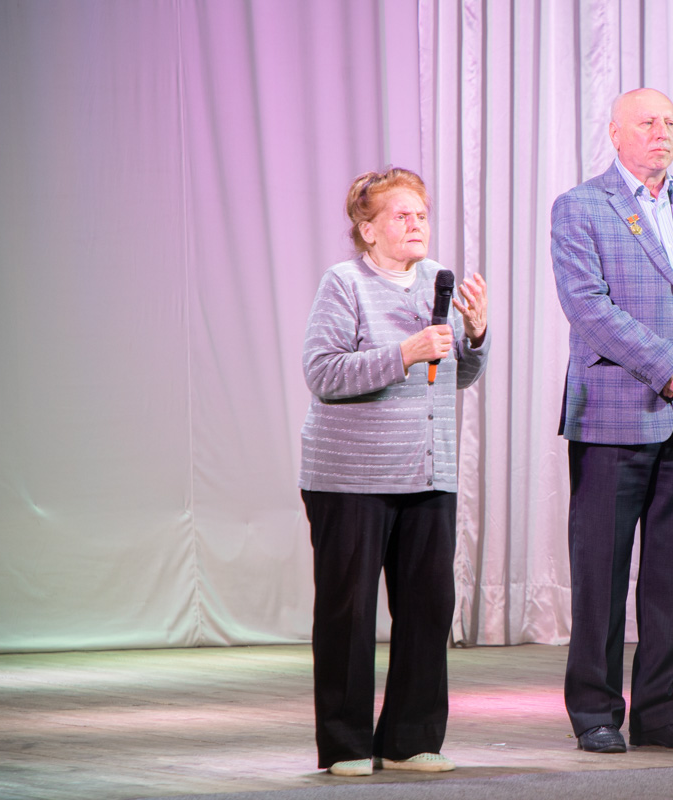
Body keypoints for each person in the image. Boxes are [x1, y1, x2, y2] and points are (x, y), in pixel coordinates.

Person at [550, 88, 673, 754]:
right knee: (601, 575)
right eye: (646, 122)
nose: (661, 132)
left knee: (672, 576)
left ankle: (658, 708)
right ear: (614, 133)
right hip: (613, 417)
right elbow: (589, 306)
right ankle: (596, 710)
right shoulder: (581, 207)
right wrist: (668, 365)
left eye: (669, 122)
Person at [298, 168, 489, 776]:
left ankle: (410, 739)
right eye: (402, 216)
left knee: (429, 609)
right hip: (351, 477)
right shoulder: (345, 283)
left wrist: (476, 336)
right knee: (349, 613)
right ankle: (346, 744)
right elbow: (323, 373)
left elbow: (451, 376)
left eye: (422, 215)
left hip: (428, 473)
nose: (416, 225)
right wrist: (404, 352)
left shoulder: (438, 281)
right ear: (368, 229)